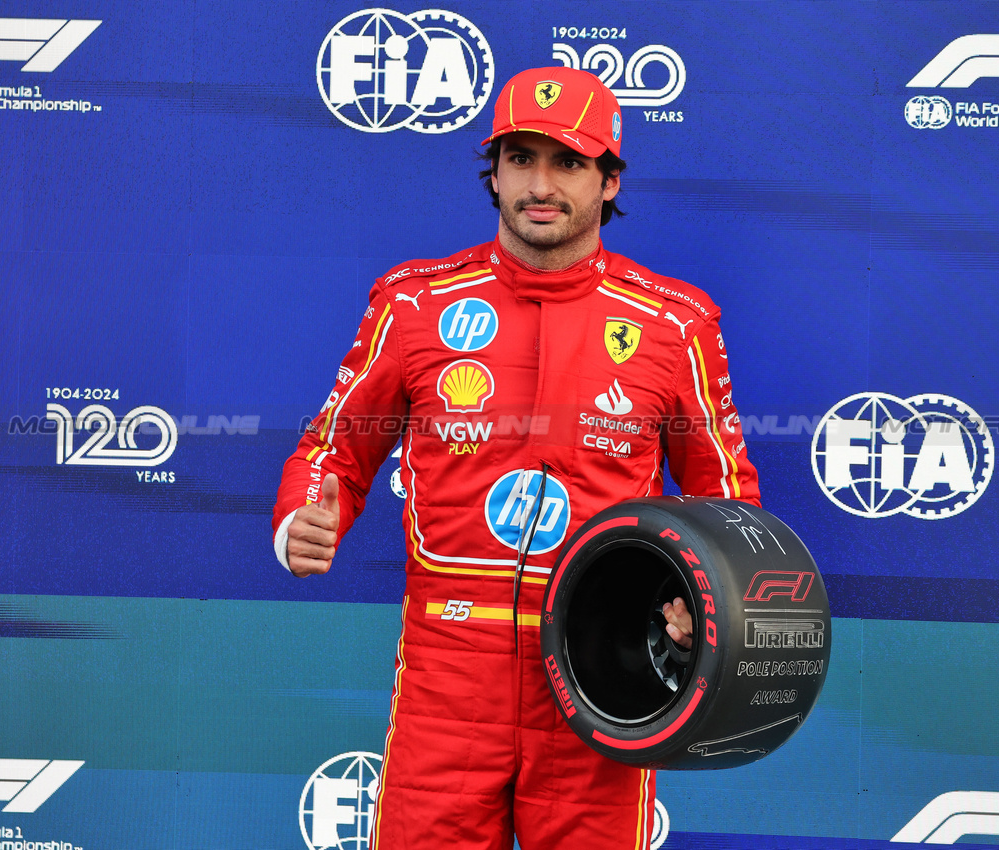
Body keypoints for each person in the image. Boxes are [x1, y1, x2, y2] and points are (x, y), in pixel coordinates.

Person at [272, 66, 760, 850]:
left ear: (608, 181)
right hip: (446, 676)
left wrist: (709, 599)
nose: (540, 183)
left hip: (605, 673)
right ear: (491, 173)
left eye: (568, 162)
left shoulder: (675, 322)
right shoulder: (416, 302)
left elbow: (725, 494)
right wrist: (303, 512)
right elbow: (336, 445)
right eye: (520, 158)